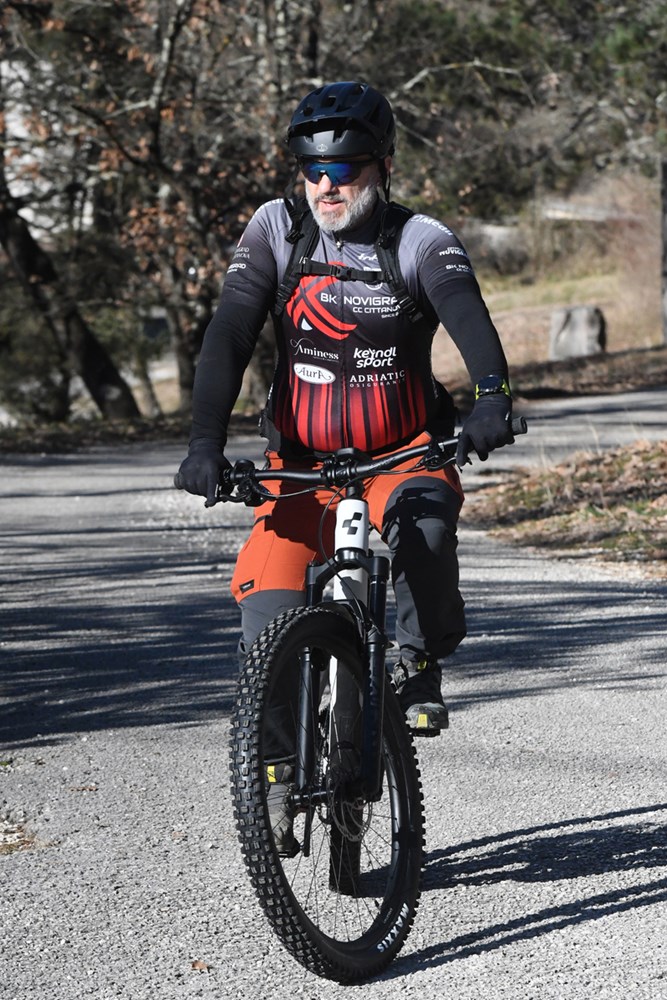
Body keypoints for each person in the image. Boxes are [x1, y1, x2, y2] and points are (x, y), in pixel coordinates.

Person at [176, 80, 513, 742]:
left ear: (382, 166)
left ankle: (416, 663)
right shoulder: (275, 229)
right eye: (311, 169)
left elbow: (466, 313)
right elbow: (231, 332)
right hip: (299, 467)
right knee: (266, 624)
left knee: (426, 536)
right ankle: (273, 772)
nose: (326, 185)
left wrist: (492, 398)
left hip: (405, 453)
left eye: (344, 168)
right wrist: (202, 444)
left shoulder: (419, 239)